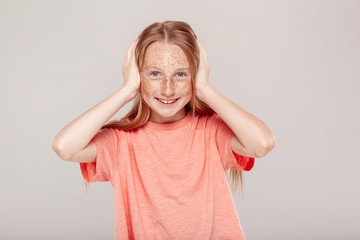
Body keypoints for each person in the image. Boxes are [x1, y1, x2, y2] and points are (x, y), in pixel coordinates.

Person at [52, 20, 276, 240]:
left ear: (195, 76)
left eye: (180, 74)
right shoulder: (122, 141)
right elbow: (65, 147)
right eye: (155, 74)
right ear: (138, 75)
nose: (168, 89)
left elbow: (262, 143)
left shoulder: (211, 130)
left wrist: (205, 89)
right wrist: (127, 90)